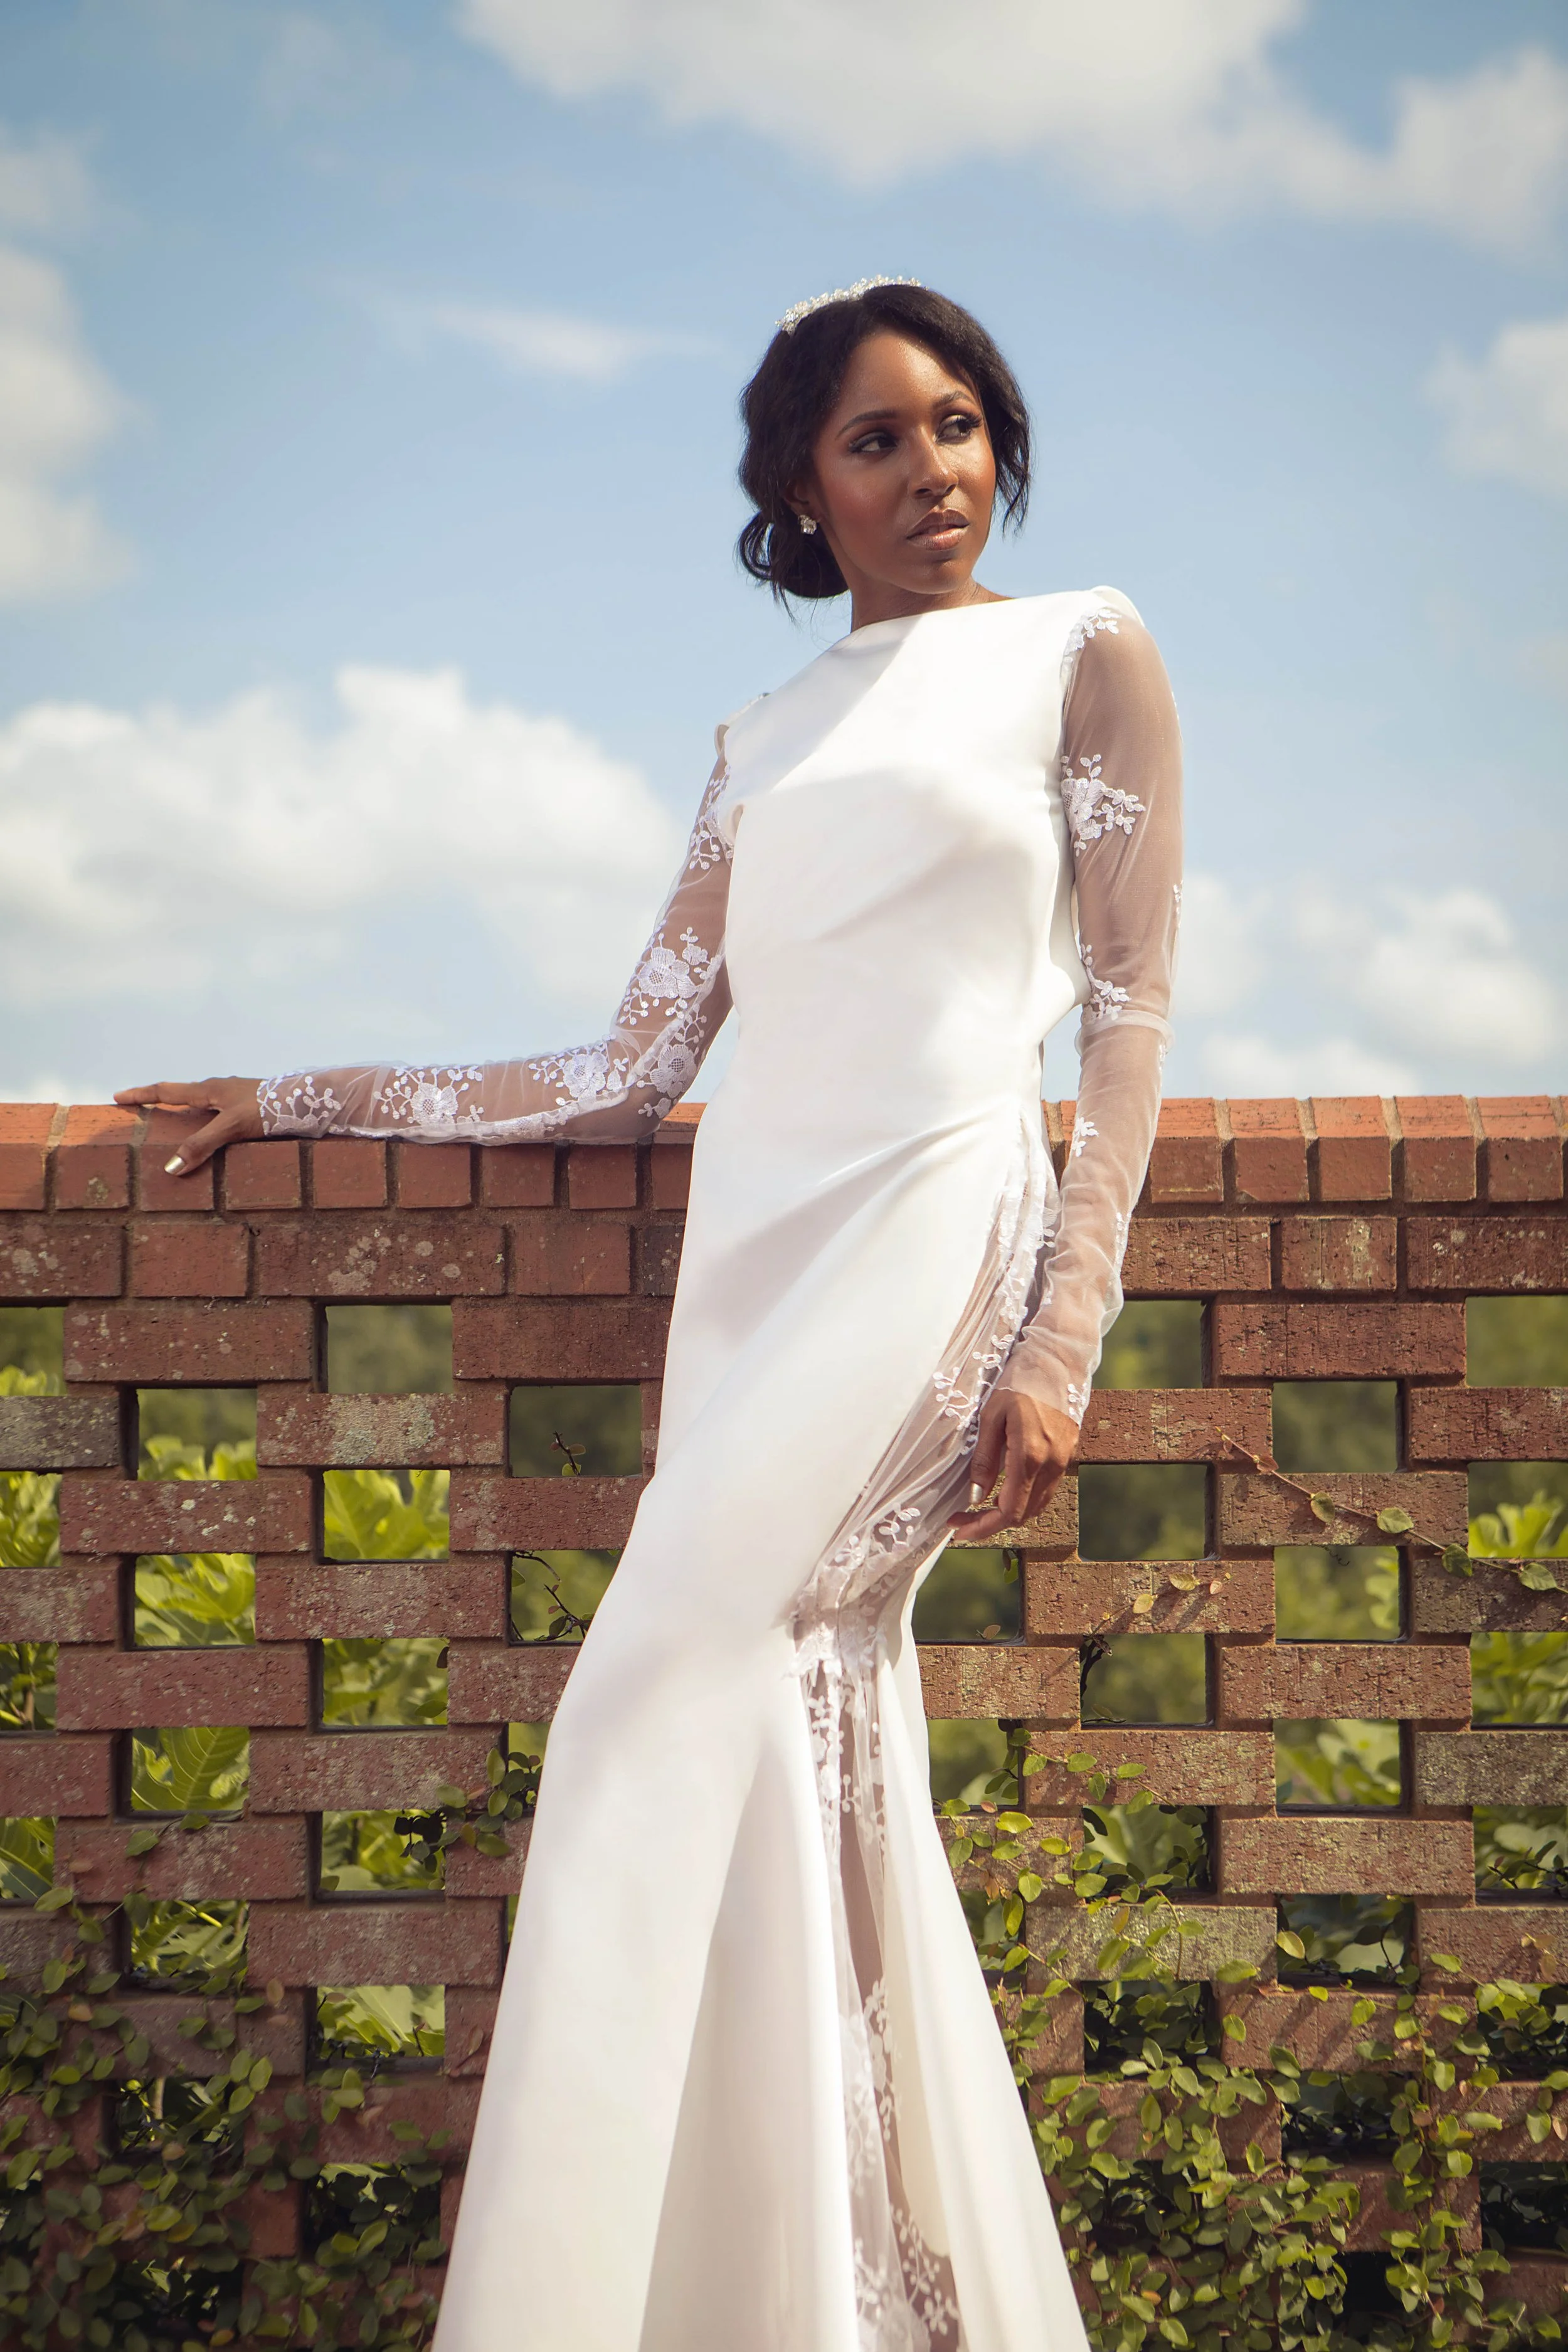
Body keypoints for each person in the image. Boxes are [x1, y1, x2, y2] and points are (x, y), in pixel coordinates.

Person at [119, 277, 1182, 2352]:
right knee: (793, 1722)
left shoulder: (1086, 655)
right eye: (874, 441)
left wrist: (1062, 1339)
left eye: (957, 424)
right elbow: (621, 1062)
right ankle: (832, 2301)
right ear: (801, 487)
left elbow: (1130, 1016)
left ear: (1000, 441)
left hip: (933, 1236)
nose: (929, 471)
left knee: (646, 1698)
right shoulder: (755, 742)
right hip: (753, 1268)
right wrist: (299, 1093)